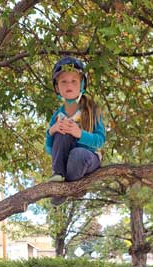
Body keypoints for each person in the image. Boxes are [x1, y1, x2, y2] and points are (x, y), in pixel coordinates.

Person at [45, 57, 106, 205]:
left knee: (78, 154)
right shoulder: (57, 115)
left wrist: (79, 134)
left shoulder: (92, 110)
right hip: (66, 163)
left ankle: (68, 188)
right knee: (61, 131)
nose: (68, 85)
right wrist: (51, 132)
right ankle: (59, 176)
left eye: (74, 81)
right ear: (57, 87)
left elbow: (100, 140)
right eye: (63, 81)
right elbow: (49, 149)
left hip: (88, 158)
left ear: (82, 84)